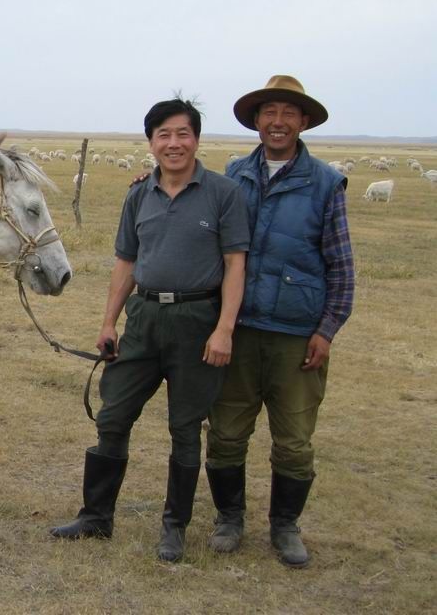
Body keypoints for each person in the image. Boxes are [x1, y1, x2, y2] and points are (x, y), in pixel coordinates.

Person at [50, 98, 249, 562]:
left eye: (182, 133)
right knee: (113, 415)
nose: (173, 143)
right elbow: (127, 261)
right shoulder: (139, 194)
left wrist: (224, 330)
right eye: (164, 135)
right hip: (143, 319)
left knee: (184, 428)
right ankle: (96, 517)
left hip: (198, 321)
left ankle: (174, 528)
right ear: (151, 142)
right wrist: (108, 322)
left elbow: (235, 264)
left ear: (196, 139)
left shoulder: (223, 194)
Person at [205, 75, 355, 568]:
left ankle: (285, 526)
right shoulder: (233, 174)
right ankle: (229, 518)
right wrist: (148, 180)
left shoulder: (327, 183)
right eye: (269, 111)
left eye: (289, 113)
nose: (278, 121)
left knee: (293, 440)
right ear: (256, 120)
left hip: (296, 336)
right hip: (238, 329)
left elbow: (342, 266)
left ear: (304, 122)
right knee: (226, 431)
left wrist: (327, 329)